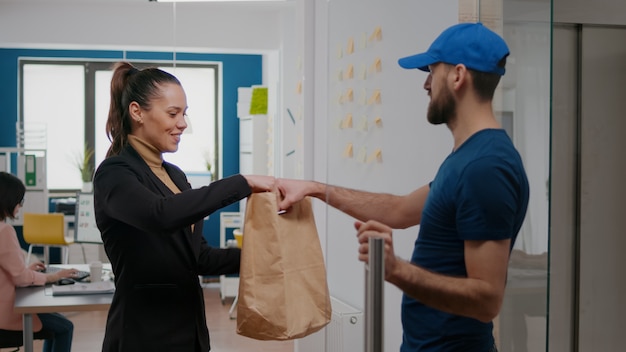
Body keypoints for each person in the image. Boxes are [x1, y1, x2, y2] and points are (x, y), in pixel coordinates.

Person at [276, 22, 530, 351]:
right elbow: (398, 209)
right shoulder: (468, 158)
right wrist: (314, 188)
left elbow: (486, 300)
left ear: (458, 76)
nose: (425, 84)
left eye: (431, 71)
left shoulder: (485, 168)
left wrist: (395, 269)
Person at [93, 61, 275, 352]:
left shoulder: (175, 175)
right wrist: (242, 183)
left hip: (190, 332)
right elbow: (160, 214)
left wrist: (264, 255)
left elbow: (198, 257)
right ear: (137, 112)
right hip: (143, 334)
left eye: (184, 113)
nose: (183, 123)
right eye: (173, 113)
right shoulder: (114, 174)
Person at [0, 171, 79, 352]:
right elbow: (20, 278)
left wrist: (26, 269)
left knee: (57, 323)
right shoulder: (4, 231)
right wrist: (54, 276)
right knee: (65, 327)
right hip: (6, 314)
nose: (20, 206)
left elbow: (9, 271)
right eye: (19, 201)